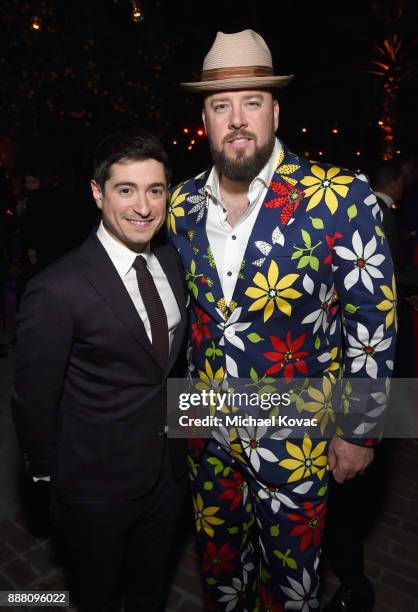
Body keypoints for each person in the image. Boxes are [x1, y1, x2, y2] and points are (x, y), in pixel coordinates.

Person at [167, 30, 396, 611]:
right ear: (205, 116)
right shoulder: (179, 205)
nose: (237, 119)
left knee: (291, 586)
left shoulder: (340, 197)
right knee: (220, 575)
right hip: (208, 432)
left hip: (296, 435)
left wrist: (358, 430)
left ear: (275, 109)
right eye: (222, 105)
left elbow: (373, 322)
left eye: (252, 101)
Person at [12, 128, 189, 612]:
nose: (143, 206)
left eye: (155, 190)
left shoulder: (173, 262)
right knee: (97, 595)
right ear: (97, 193)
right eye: (126, 189)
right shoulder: (57, 288)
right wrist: (50, 476)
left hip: (167, 477)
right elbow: (33, 398)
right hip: (95, 488)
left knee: (150, 592)